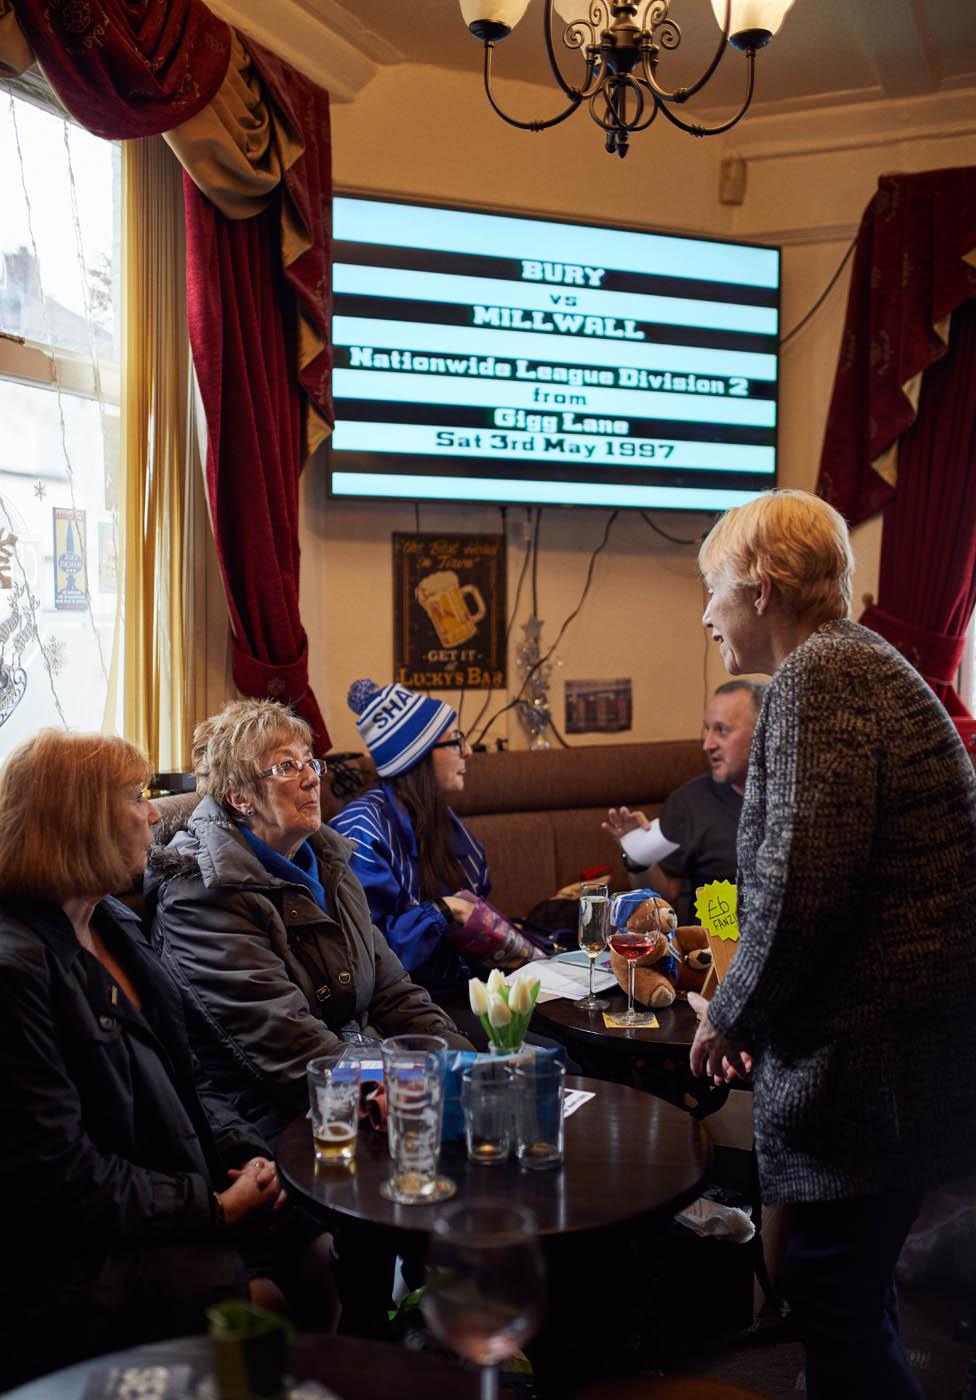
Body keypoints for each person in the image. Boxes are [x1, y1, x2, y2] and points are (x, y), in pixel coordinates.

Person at [686, 488, 976, 1399]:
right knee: (848, 1300)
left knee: (836, 1306)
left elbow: (803, 887)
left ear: (762, 587)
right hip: (897, 1064)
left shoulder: (826, 675)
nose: (705, 615)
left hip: (877, 1073)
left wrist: (728, 1016)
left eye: (713, 591)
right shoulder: (849, 665)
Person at [0, 730, 334, 1388]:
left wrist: (242, 1155)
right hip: (74, 1256)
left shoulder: (110, 923)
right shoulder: (14, 970)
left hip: (168, 1195)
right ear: (79, 821)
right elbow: (63, 1178)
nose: (154, 812)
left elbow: (191, 1078)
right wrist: (212, 1208)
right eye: (136, 797)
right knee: (261, 1307)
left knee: (320, 1245)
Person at [148, 699, 471, 1151]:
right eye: (285, 766)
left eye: (309, 761)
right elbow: (292, 1052)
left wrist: (467, 1069)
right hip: (275, 1118)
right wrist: (423, 1090)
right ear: (240, 798)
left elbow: (393, 991)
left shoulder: (329, 859)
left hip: (361, 1082)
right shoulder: (199, 894)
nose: (311, 776)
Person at [330, 679, 541, 1041]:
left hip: (457, 988)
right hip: (400, 1010)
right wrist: (442, 911)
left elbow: (476, 904)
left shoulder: (436, 817)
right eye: (456, 740)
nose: (469, 750)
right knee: (550, 1052)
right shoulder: (362, 831)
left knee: (569, 1037)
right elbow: (368, 955)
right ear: (419, 755)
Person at [602, 680, 764, 920]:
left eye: (721, 730)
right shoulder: (690, 803)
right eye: (707, 729)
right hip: (715, 949)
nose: (707, 744)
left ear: (765, 731)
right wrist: (638, 855)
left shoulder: (803, 797)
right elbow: (665, 897)